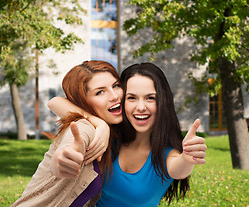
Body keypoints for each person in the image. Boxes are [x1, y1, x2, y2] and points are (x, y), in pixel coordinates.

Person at [49, 62, 207, 206]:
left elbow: (179, 168)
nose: (140, 107)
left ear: (163, 102)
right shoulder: (109, 138)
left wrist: (187, 158)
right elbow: (55, 102)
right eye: (131, 98)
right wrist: (100, 124)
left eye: (150, 98)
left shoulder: (165, 155)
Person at [11, 60, 123, 207]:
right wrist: (62, 160)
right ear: (83, 101)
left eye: (116, 85)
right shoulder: (84, 128)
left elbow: (55, 102)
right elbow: (70, 147)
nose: (114, 96)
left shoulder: (113, 134)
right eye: (100, 92)